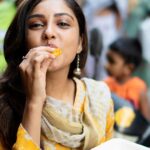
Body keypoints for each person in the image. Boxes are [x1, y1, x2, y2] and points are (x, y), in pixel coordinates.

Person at [0, 0, 114, 150]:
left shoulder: (99, 98)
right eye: (37, 25)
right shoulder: (4, 106)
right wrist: (34, 102)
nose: (49, 33)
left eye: (63, 24)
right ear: (23, 41)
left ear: (81, 42)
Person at [104, 37, 150, 120]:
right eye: (107, 60)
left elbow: (146, 121)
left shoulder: (139, 87)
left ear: (128, 68)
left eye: (112, 61)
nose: (106, 65)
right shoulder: (106, 84)